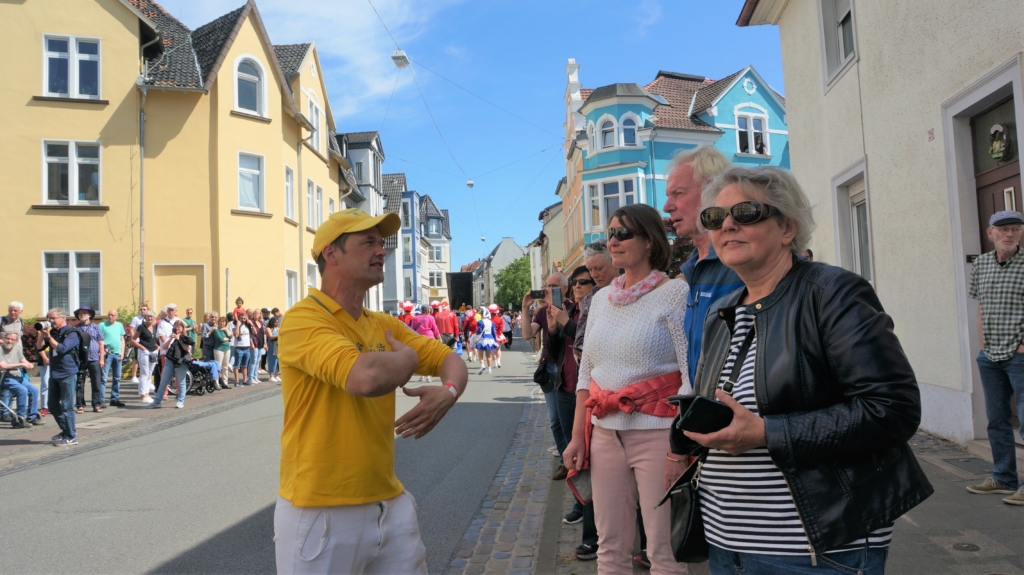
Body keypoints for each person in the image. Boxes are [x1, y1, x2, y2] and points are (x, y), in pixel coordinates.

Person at [673, 165, 932, 573]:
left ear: (787, 227)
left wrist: (766, 433)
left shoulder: (831, 294)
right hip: (727, 544)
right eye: (715, 218)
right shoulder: (721, 316)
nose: (726, 226)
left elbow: (892, 409)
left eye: (746, 212)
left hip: (816, 547)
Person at [275, 208, 467, 574]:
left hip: (388, 505)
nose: (382, 250)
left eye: (382, 243)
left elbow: (449, 360)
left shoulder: (382, 323)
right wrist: (409, 357)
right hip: (320, 511)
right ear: (331, 253)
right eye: (368, 242)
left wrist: (450, 390)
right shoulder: (303, 318)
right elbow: (364, 379)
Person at [560, 204, 689, 575]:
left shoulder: (674, 295)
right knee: (610, 546)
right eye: (610, 234)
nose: (613, 242)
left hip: (658, 435)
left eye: (623, 234)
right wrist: (576, 439)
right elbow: (587, 373)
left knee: (664, 550)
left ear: (649, 241)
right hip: (603, 434)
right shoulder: (600, 300)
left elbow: (690, 373)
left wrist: (680, 447)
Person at [662, 146, 742, 385]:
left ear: (713, 192)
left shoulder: (743, 263)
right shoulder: (691, 269)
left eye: (678, 193)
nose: (667, 206)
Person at [967, 209, 1024, 505]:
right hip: (990, 355)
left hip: (1019, 353)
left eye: (1015, 229)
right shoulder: (981, 265)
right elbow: (980, 305)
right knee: (997, 419)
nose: (1009, 234)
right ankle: (1004, 478)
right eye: (1003, 229)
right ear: (991, 233)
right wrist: (983, 341)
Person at [548, 265, 599, 559]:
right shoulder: (572, 312)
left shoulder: (592, 312)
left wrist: (566, 323)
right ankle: (580, 503)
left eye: (583, 282)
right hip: (566, 387)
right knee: (572, 450)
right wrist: (555, 328)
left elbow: (586, 348)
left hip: (590, 394)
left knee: (587, 457)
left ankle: (591, 526)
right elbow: (556, 351)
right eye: (575, 283)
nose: (577, 287)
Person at [521, 273, 572, 474]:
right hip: (550, 367)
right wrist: (525, 307)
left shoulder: (573, 308)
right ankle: (564, 458)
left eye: (554, 286)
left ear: (564, 288)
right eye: (546, 285)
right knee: (554, 419)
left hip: (568, 366)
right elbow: (527, 334)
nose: (548, 289)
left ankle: (573, 459)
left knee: (568, 417)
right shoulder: (542, 311)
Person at [41, 308, 80, 445]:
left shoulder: (72, 333)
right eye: (49, 318)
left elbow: (62, 348)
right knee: (52, 405)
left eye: (53, 318)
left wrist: (49, 337)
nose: (50, 321)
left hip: (67, 373)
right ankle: (65, 429)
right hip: (54, 372)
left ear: (62, 318)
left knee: (67, 406)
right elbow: (39, 347)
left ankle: (71, 436)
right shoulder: (53, 333)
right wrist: (42, 334)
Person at [574, 241, 617, 356]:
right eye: (590, 269)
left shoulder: (631, 293)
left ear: (615, 263)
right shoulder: (589, 299)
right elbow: (580, 337)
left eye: (598, 268)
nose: (593, 275)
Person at [0, 332, 43, 427]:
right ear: (4, 338)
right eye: (8, 338)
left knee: (34, 390)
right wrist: (21, 365)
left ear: (16, 341)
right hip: (4, 378)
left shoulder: (17, 348)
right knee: (22, 390)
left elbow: (23, 360)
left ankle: (32, 416)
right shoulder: (0, 349)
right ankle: (20, 416)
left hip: (17, 377)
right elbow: (3, 365)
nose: (9, 341)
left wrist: (29, 364)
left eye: (12, 339)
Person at [148, 320, 193, 409]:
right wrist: (171, 339)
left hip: (181, 362)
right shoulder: (171, 337)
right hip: (170, 361)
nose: (177, 328)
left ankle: (180, 401)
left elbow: (187, 349)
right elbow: (164, 347)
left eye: (179, 327)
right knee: (163, 382)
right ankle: (157, 402)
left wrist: (178, 338)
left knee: (181, 382)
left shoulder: (185, 338)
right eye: (175, 326)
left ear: (182, 328)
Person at [73, 306, 105, 413]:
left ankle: (96, 404)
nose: (82, 315)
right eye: (80, 313)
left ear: (89, 315)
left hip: (94, 358)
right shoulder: (76, 328)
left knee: (96, 382)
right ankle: (80, 405)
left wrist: (101, 359)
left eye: (84, 313)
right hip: (81, 359)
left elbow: (101, 343)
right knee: (79, 382)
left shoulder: (96, 327)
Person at [99, 309, 127, 407]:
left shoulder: (119, 325)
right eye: (109, 315)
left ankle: (114, 398)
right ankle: (101, 399)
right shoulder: (102, 325)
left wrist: (122, 352)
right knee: (104, 377)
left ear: (116, 316)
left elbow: (122, 339)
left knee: (117, 377)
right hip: (107, 354)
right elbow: (99, 339)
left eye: (112, 315)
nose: (110, 316)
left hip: (117, 354)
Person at [133, 312, 159, 403]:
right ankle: (143, 395)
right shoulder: (141, 327)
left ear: (154, 318)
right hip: (144, 352)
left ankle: (147, 393)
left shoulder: (154, 327)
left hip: (153, 351)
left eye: (151, 317)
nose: (150, 318)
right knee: (144, 373)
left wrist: (157, 346)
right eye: (148, 317)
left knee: (150, 373)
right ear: (145, 318)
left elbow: (152, 339)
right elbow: (133, 339)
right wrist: (142, 347)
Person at [411, 304, 441, 382]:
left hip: (419, 339)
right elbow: (435, 329)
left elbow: (411, 330)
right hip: (429, 338)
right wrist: (439, 338)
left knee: (420, 357)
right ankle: (428, 376)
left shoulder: (416, 318)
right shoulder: (431, 318)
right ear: (427, 310)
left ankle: (422, 375)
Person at [128, 302, 149, 385]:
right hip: (138, 341)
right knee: (137, 358)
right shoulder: (136, 319)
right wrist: (134, 339)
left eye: (144, 309)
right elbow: (131, 329)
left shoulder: (148, 319)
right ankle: (133, 376)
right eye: (141, 309)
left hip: (146, 342)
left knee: (146, 359)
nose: (142, 311)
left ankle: (143, 376)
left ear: (147, 310)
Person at [475, 309, 500, 374]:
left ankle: (482, 365)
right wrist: (495, 341)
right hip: (490, 338)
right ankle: (489, 369)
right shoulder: (491, 322)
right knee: (488, 355)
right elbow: (494, 332)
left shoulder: (480, 322)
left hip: (483, 338)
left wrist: (476, 335)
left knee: (480, 355)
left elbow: (479, 331)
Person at [212, 317, 233, 390]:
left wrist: (226, 329)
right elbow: (221, 339)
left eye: (224, 322)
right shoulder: (216, 330)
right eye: (221, 322)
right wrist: (228, 339)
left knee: (225, 366)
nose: (222, 323)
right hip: (219, 350)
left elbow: (231, 336)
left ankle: (225, 382)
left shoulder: (225, 330)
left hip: (227, 349)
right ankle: (217, 383)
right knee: (218, 367)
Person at [232, 312, 253, 386]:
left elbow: (254, 333)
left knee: (245, 365)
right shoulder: (234, 325)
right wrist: (238, 325)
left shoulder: (247, 325)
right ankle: (236, 381)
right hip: (239, 348)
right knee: (237, 365)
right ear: (239, 318)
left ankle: (245, 380)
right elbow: (236, 335)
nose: (243, 320)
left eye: (244, 318)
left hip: (247, 348)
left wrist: (252, 324)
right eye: (241, 318)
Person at [266, 316, 281, 383]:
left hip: (278, 345)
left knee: (277, 361)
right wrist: (279, 334)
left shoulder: (277, 328)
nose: (276, 323)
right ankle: (271, 375)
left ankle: (276, 375)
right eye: (275, 322)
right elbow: (271, 336)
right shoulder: (268, 328)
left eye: (277, 322)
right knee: (272, 360)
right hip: (272, 344)